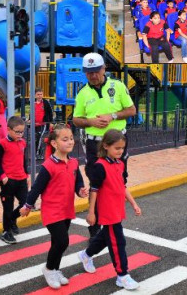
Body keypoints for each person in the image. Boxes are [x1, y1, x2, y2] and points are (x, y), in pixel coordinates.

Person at [73, 52, 135, 239]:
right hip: (94, 144)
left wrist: (113, 116)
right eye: (88, 72)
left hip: (116, 142)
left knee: (118, 181)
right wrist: (90, 121)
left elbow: (132, 110)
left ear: (103, 69)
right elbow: (76, 119)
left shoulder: (118, 86)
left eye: (95, 71)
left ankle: (114, 220)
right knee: (96, 183)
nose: (92, 75)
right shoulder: (83, 92)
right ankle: (95, 227)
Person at [20, 124, 88, 289]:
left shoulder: (73, 162)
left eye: (71, 138)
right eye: (65, 139)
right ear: (54, 144)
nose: (70, 142)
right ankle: (49, 269)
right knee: (62, 241)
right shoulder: (48, 166)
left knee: (58, 242)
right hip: (52, 210)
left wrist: (80, 190)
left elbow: (77, 181)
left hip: (66, 209)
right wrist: (28, 205)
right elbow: (37, 188)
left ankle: (56, 269)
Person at [78, 130, 142, 290]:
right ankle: (122, 275)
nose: (120, 151)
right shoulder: (100, 166)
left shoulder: (119, 164)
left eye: (122, 148)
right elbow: (94, 190)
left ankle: (85, 255)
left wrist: (134, 203)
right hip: (107, 211)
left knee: (106, 238)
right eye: (117, 148)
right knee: (118, 242)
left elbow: (122, 186)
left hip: (117, 208)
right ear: (106, 146)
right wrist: (91, 212)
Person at [0, 116, 30, 244]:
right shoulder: (2, 144)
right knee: (8, 207)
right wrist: (3, 176)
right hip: (8, 181)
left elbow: (24, 160)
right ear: (8, 129)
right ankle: (6, 231)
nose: (20, 134)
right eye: (17, 132)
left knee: (26, 204)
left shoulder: (23, 143)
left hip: (21, 179)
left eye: (22, 132)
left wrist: (27, 174)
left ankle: (12, 220)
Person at [33, 88, 53, 158]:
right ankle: (40, 154)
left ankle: (36, 154)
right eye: (38, 94)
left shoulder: (45, 102)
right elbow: (31, 112)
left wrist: (50, 122)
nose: (39, 96)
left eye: (41, 94)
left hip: (43, 123)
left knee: (39, 137)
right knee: (36, 138)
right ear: (35, 95)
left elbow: (50, 112)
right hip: (34, 124)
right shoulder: (33, 102)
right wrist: (30, 119)